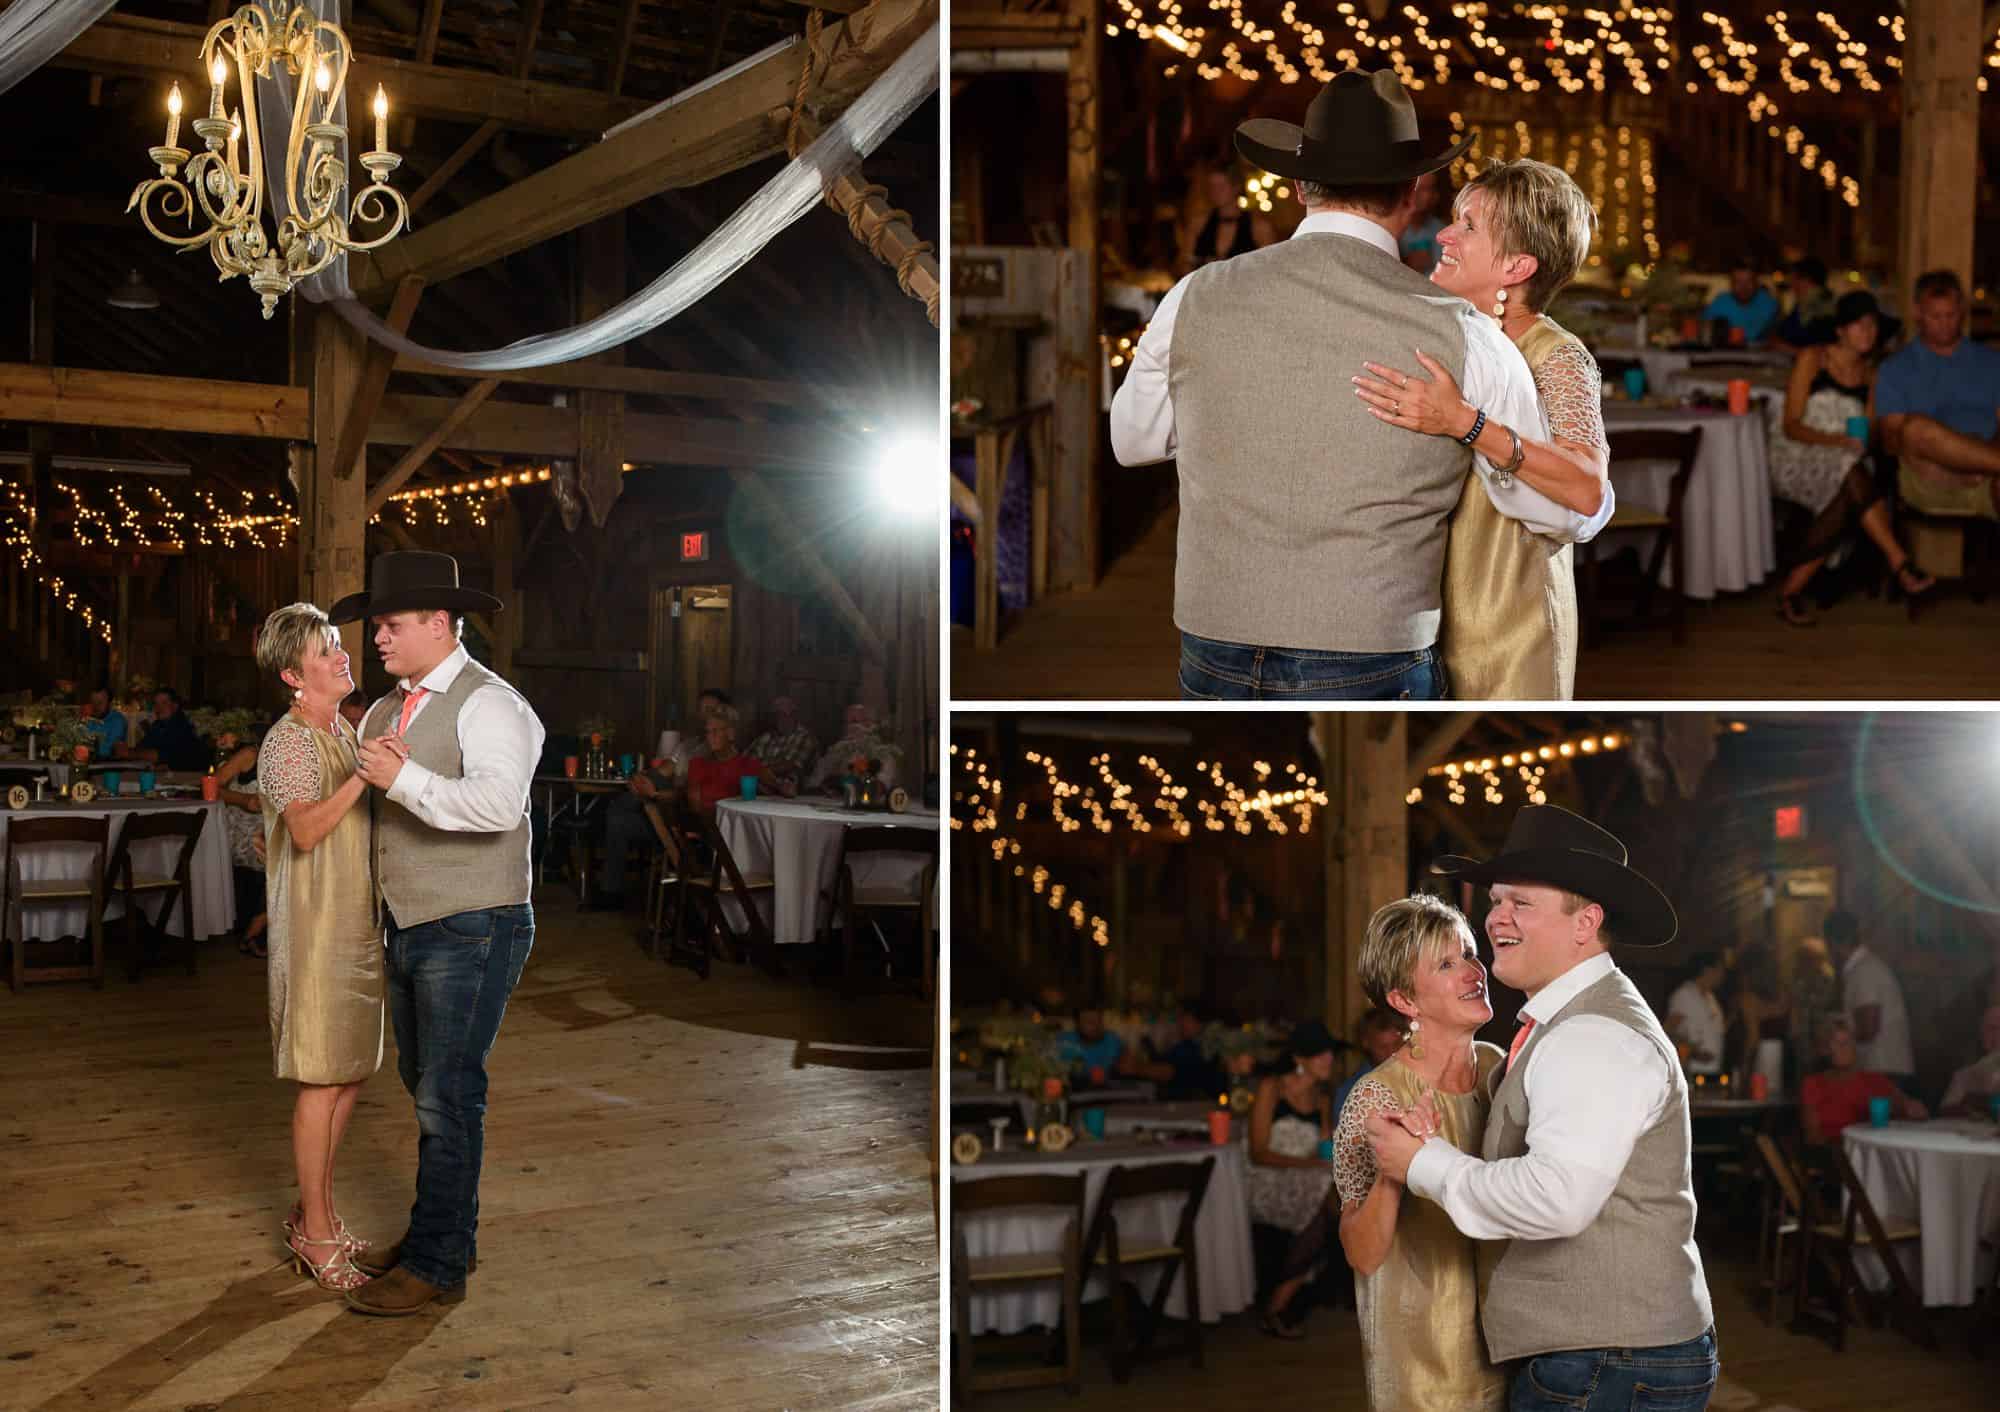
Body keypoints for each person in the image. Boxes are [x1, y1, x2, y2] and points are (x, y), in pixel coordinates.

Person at [1111, 71, 1610, 701]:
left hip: (1214, 639)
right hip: (1374, 645)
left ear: (1298, 186)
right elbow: (1553, 513)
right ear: (1411, 191)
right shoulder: (1468, 334)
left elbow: (1133, 443)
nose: (1452, 235)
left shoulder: (1194, 296)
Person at [1366, 804, 1718, 1412]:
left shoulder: (1592, 1035)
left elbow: (1556, 1198)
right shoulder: (1564, 1023)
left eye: (1520, 903)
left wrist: (1422, 1162)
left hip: (1608, 1359)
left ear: (1586, 923)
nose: (1495, 917)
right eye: (1496, 901)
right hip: (1606, 1355)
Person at [332, 550, 544, 1316]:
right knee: (426, 1087)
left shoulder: (492, 704)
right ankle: (443, 1235)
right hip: (410, 922)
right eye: (376, 627)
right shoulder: (389, 710)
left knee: (446, 1098)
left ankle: (438, 1261)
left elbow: (498, 806)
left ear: (439, 623)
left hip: (475, 923)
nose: (377, 639)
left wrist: (403, 780)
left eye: (389, 626)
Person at [1353, 157, 1615, 698]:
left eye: (1468, 226)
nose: (1445, 234)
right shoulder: (1447, 334)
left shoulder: (1556, 354)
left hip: (1508, 620)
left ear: (1517, 268)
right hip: (1422, 615)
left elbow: (1587, 488)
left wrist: (1465, 423)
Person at [253, 603, 383, 1293]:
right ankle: (319, 1232)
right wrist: (367, 776)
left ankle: (314, 1215)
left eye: (337, 644)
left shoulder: (340, 729)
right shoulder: (290, 743)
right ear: (291, 675)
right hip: (314, 927)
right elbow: (304, 833)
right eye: (325, 650)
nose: (342, 655)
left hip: (353, 922)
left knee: (350, 1070)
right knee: (322, 1075)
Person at [1332, 896, 1506, 1407]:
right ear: (1405, 1001)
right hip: (1425, 1364)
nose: (1474, 971)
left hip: (1513, 1343)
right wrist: (1395, 1171)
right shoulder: (1376, 1097)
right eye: (1447, 964)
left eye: (1470, 954)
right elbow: (1362, 1254)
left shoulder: (1502, 1071)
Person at [1767, 291, 1934, 625]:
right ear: (1840, 330)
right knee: (1851, 474)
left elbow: (1870, 430)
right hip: (1797, 453)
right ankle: (1900, 561)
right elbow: (1791, 426)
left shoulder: (1873, 375)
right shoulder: (1813, 359)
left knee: (1850, 479)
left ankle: (1790, 593)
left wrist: (1864, 438)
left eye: (1872, 326)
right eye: (1859, 325)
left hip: (1847, 459)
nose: (1867, 333)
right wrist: (1835, 441)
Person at [1875, 269, 2000, 519]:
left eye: (1951, 315)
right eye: (1935, 316)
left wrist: (1978, 456)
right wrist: (1956, 458)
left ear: (1962, 311)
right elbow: (1892, 441)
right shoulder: (1895, 368)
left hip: (1988, 476)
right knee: (1915, 429)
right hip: (1929, 475)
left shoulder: (1992, 361)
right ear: (1918, 313)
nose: (1945, 324)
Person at [1248, 1019, 1340, 1340]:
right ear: (1299, 1059)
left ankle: (1278, 1302)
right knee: (1332, 1193)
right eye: (1320, 1055)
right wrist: (1311, 1164)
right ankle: (1278, 1305)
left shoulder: (1322, 1097)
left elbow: (1325, 1150)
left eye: (1329, 1053)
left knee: (1339, 1188)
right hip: (1267, 1179)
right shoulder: (1271, 1088)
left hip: (1310, 1177)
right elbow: (1258, 1153)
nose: (1328, 1059)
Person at [1823, 909, 1915, 1092]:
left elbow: (1868, 1028)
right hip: (1882, 1071)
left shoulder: (1864, 971)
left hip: (1883, 1072)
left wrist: (1835, 1043)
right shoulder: (1862, 969)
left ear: (1832, 943)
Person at [1800, 1014, 1926, 1144]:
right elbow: (1812, 1136)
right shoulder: (1813, 1083)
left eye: (1846, 1042)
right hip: (1833, 1156)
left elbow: (1905, 1105)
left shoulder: (1875, 1080)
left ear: (1855, 1045)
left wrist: (1912, 1108)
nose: (1841, 1049)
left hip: (1872, 1153)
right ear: (1824, 1049)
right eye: (1834, 1043)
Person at [216, 732, 269, 959]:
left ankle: (258, 926)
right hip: (242, 831)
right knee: (286, 859)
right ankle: (255, 932)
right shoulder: (251, 755)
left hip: (273, 830)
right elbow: (210, 787)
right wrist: (244, 800)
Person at [1177, 165, 1274, 274]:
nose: (1215, 191)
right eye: (1212, 186)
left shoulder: (1259, 227)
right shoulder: (1198, 223)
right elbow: (1184, 265)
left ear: (1236, 187)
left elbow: (1268, 269)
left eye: (1221, 186)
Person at [684, 706, 764, 813]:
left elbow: (777, 790)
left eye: (716, 730)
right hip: (707, 826)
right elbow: (696, 808)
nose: (710, 736)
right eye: (708, 732)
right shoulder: (697, 764)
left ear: (731, 734)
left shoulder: (748, 764)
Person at [1332, 1007, 1404, 1123]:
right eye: (1383, 1047)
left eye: (1396, 1044)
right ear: (1366, 1043)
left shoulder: (1416, 1078)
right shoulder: (1351, 1091)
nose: (1392, 1053)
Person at [805, 702, 897, 790]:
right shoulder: (836, 751)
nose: (850, 727)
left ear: (869, 725)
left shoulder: (881, 754)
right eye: (846, 722)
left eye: (855, 721)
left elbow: (881, 785)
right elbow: (815, 782)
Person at [1666, 951, 1729, 1076]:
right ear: (1708, 970)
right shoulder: (1685, 994)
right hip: (1691, 1072)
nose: (1722, 975)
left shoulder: (1711, 998)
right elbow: (1668, 1031)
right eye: (1720, 970)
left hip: (1714, 1071)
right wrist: (1694, 1053)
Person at [119, 687, 209, 771]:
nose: (159, 708)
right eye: (156, 704)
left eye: (164, 703)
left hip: (185, 776)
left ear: (175, 706)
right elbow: (143, 746)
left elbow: (163, 755)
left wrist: (130, 753)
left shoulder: (181, 725)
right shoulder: (158, 724)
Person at [1701, 258, 1780, 346]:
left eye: (1749, 281)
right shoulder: (1720, 302)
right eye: (1738, 282)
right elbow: (1704, 331)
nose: (1744, 287)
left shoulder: (1769, 305)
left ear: (1756, 282)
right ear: (1731, 283)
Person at [745, 694, 818, 787]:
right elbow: (745, 761)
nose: (780, 718)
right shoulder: (765, 737)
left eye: (784, 714)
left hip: (792, 794)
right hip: (760, 788)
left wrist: (760, 771)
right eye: (776, 714)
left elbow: (792, 765)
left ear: (794, 715)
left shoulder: (805, 737)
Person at [1940, 1003, 2000, 1114]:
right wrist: (1969, 1105)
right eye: (1992, 1028)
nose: (1997, 1034)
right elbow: (1946, 1112)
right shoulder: (1964, 1076)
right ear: (1982, 1036)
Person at [1773, 256, 1838, 350]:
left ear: (1806, 280)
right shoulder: (1806, 302)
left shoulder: (1822, 305)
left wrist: (1786, 347)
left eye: (1793, 278)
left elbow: (1820, 346)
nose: (1791, 283)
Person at [1398, 171, 1447, 274]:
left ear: (1434, 195)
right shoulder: (1392, 226)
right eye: (1414, 188)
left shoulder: (1442, 231)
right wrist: (1406, 262)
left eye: (1424, 189)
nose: (1416, 194)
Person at [1056, 1007, 1123, 1080]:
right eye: (1089, 1022)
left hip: (1107, 1088)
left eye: (1098, 1021)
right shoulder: (1064, 1041)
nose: (1095, 1026)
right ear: (1077, 1024)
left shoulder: (1113, 1041)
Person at [80, 684, 127, 758]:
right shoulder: (88, 719)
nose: (95, 706)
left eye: (100, 703)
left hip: (107, 763)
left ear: (109, 703)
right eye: (93, 702)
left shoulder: (117, 720)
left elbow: (109, 750)